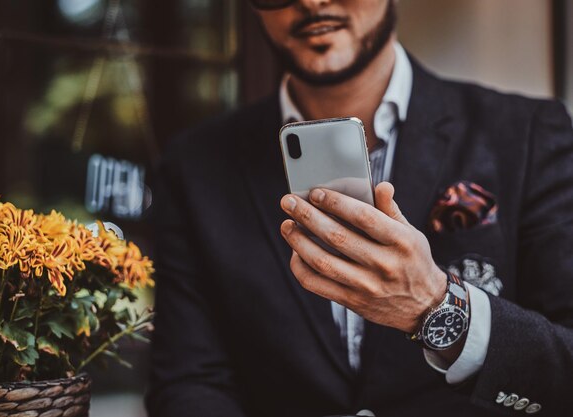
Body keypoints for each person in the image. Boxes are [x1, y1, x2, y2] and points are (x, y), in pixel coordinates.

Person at [145, 0, 573, 416]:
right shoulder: (195, 167)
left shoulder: (527, 135)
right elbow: (188, 380)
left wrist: (434, 307)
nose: (312, 2)